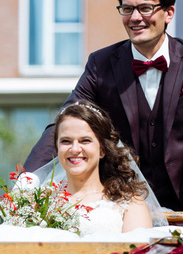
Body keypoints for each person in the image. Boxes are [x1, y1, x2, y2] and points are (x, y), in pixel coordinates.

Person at [25, 0, 183, 222]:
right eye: (127, 9)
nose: (135, 17)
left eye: (146, 8)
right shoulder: (101, 64)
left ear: (169, 12)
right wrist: (27, 182)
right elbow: (64, 122)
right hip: (125, 204)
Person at [51, 101, 154, 236]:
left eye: (85, 140)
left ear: (102, 150)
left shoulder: (129, 204)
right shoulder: (41, 201)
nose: (75, 149)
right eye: (66, 141)